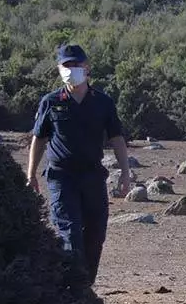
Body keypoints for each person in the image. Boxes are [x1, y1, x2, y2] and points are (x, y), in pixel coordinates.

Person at [26, 44, 131, 286]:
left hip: (93, 177)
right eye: (67, 65)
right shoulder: (51, 102)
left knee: (95, 236)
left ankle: (85, 288)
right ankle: (74, 291)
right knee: (70, 235)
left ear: (87, 67)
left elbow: (116, 138)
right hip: (61, 178)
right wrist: (30, 174)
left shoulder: (103, 102)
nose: (72, 69)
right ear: (59, 69)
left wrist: (125, 172)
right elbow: (39, 138)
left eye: (77, 64)